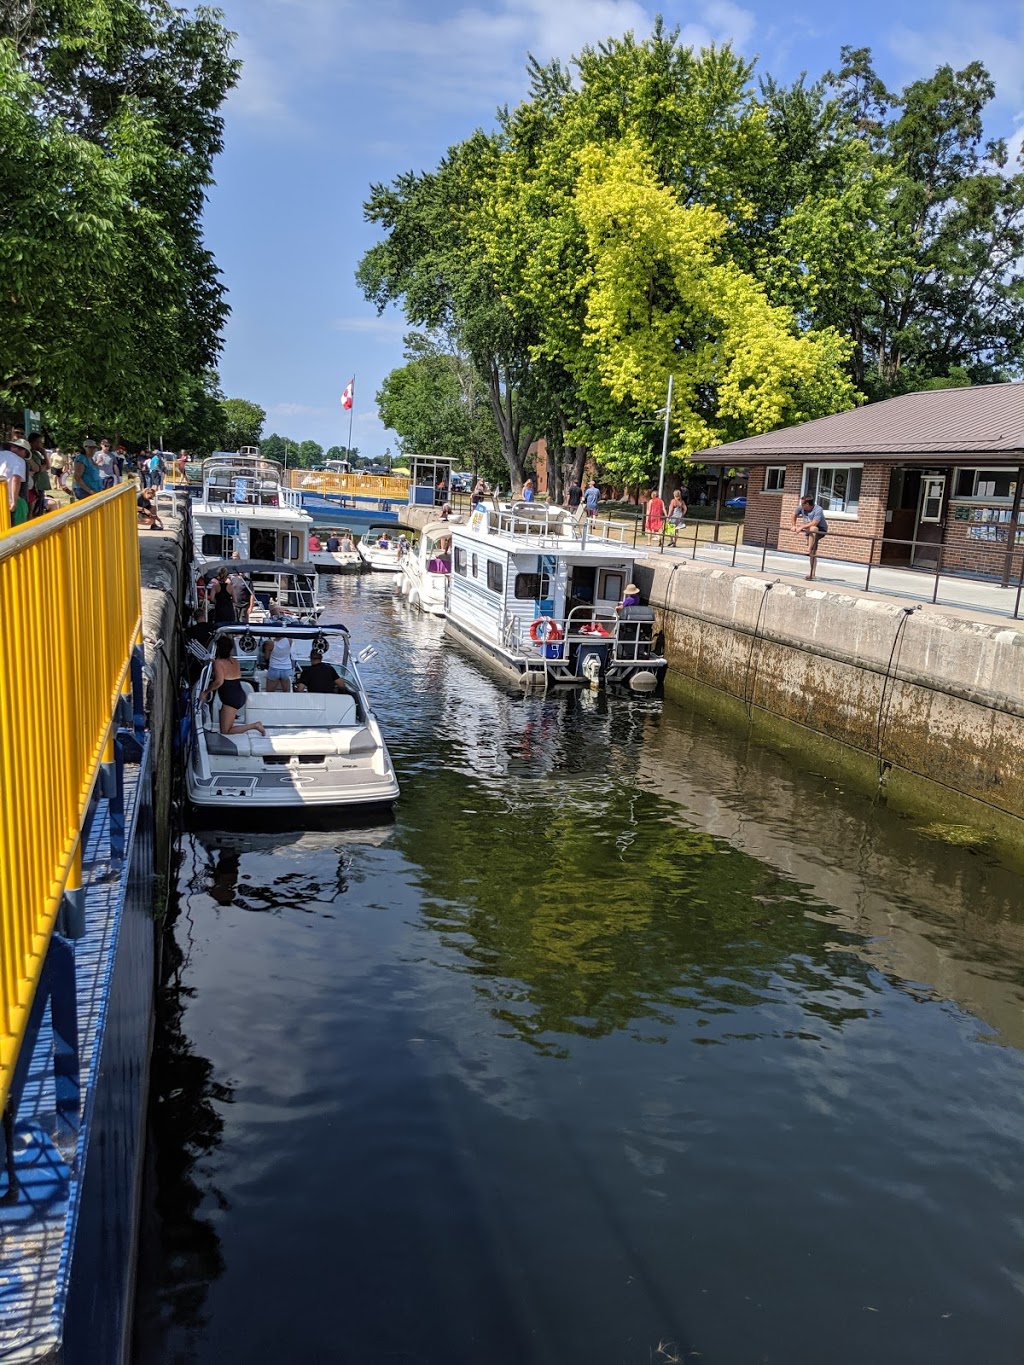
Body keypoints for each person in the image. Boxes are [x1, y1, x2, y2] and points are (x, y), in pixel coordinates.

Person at [203, 636, 266, 737]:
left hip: (230, 699)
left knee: (226, 730)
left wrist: (206, 691)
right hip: (239, 694)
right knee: (223, 725)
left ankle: (255, 726)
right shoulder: (235, 661)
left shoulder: (219, 663)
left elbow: (219, 681)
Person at [792, 495, 829, 580]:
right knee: (813, 552)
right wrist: (793, 525)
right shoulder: (801, 508)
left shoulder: (818, 509)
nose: (801, 505)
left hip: (820, 530)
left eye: (803, 504)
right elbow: (794, 514)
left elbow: (814, 523)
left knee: (813, 528)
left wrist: (801, 527)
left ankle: (809, 549)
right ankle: (812, 574)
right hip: (809, 531)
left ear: (807, 504)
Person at [0, 437, 29, 525]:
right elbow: (16, 479)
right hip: (7, 499)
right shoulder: (19, 461)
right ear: (23, 451)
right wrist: (14, 501)